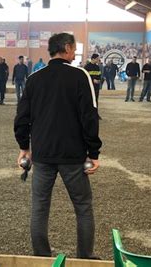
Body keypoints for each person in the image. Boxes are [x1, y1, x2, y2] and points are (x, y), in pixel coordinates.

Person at [14, 33, 101, 259]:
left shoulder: (35, 79)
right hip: (73, 155)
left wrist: (25, 147)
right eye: (73, 48)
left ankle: (42, 256)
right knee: (82, 206)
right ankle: (84, 256)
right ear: (66, 48)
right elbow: (90, 116)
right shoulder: (80, 75)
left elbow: (21, 118)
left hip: (42, 155)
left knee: (39, 208)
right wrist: (93, 152)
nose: (74, 52)